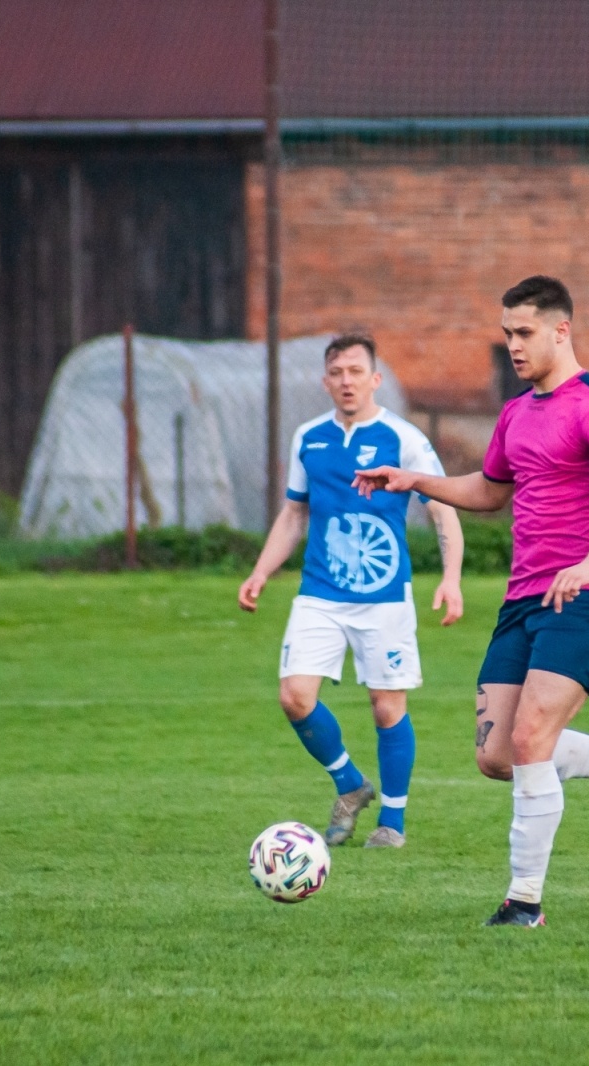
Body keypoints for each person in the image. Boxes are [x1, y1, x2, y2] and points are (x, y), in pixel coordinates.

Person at [353, 275, 589, 927]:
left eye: (524, 333)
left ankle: (523, 902)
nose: (513, 347)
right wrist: (414, 480)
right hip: (523, 598)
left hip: (587, 596)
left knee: (531, 738)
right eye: (506, 335)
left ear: (562, 331)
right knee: (496, 755)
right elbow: (491, 490)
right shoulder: (516, 413)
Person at [239, 333, 465, 849]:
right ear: (325, 381)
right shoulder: (308, 438)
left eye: (356, 372)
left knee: (387, 708)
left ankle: (394, 824)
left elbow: (442, 509)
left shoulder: (403, 439)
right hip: (319, 591)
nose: (346, 381)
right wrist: (260, 572)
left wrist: (450, 578)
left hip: (384, 595)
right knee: (295, 697)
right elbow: (295, 513)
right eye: (337, 372)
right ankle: (350, 784)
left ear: (375, 379)